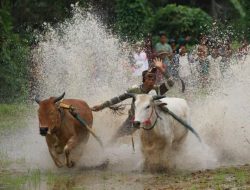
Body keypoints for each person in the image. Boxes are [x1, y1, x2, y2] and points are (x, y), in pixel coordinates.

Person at [91, 58, 174, 143]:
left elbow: (171, 82)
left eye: (153, 79)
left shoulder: (157, 90)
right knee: (116, 136)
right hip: (134, 119)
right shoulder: (134, 90)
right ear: (143, 79)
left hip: (151, 121)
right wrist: (101, 106)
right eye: (148, 78)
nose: (151, 81)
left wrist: (161, 69)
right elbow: (118, 99)